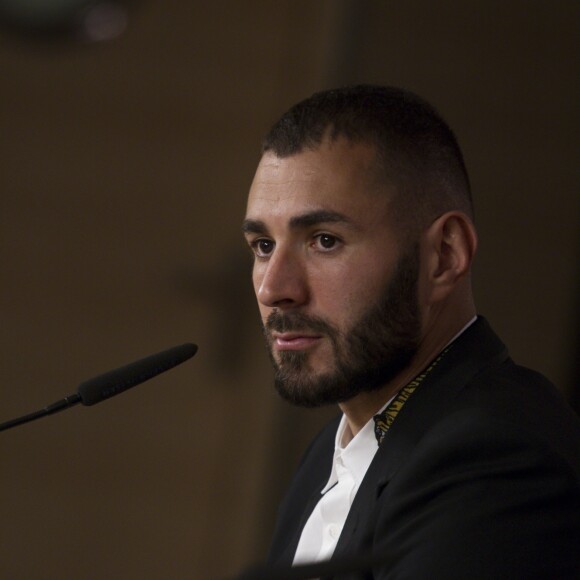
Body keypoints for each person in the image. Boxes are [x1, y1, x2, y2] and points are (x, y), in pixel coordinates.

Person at [241, 85, 580, 578]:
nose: (274, 288)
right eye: (263, 245)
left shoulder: (496, 458)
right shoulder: (326, 456)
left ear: (444, 254)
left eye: (324, 241)